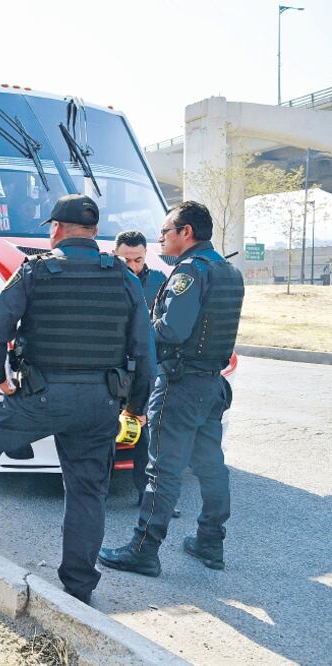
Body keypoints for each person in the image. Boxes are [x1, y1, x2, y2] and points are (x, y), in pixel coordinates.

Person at [0, 195, 155, 605]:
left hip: (41, 396)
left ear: (56, 230)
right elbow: (144, 352)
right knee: (87, 491)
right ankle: (79, 585)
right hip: (102, 403)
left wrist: (1, 379)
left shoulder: (35, 270)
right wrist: (134, 407)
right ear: (94, 232)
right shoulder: (124, 277)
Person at [99, 201, 244, 576]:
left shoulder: (190, 273)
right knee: (211, 466)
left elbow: (173, 331)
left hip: (180, 384)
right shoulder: (228, 271)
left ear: (186, 233)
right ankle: (210, 542)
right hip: (212, 384)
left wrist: (139, 332)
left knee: (161, 471)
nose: (160, 238)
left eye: (165, 231)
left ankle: (143, 550)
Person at [114, 230, 168, 502]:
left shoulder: (159, 281)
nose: (132, 266)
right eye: (126, 260)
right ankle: (97, 493)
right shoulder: (106, 278)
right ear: (115, 255)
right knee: (107, 427)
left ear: (146, 255)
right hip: (112, 365)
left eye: (138, 259)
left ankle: (147, 495)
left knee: (147, 433)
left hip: (146, 366)